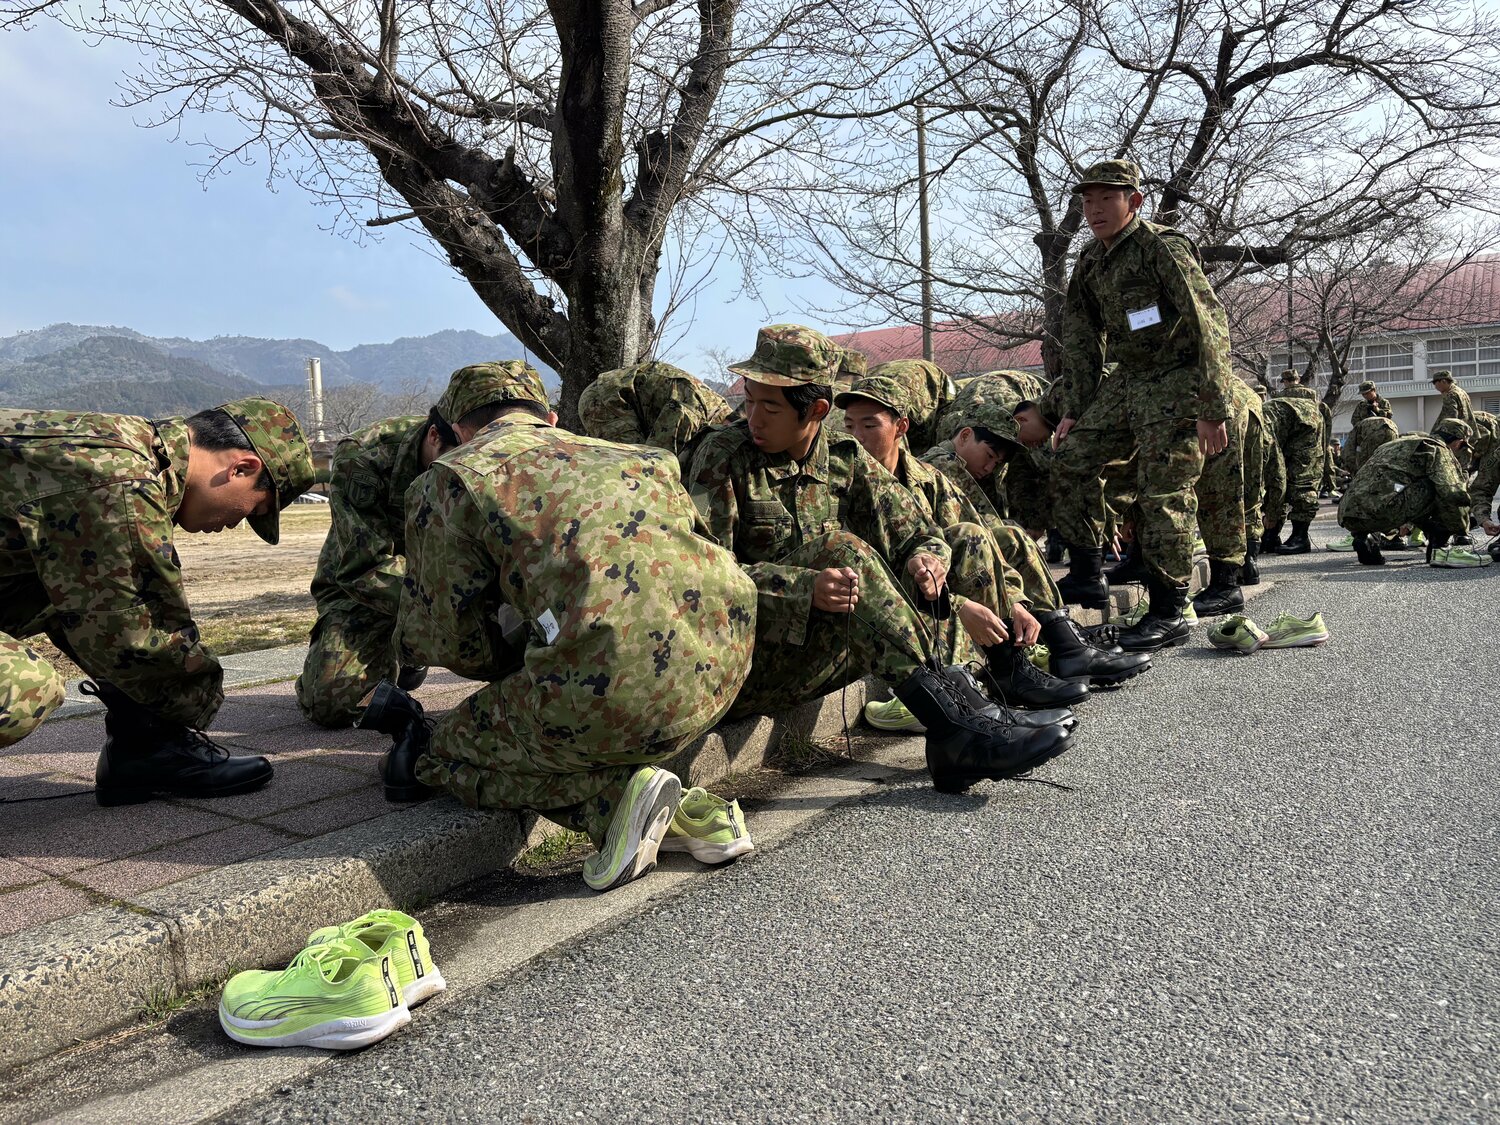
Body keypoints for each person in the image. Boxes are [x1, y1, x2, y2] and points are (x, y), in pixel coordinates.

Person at [364, 365, 759, 893]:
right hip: (722, 674)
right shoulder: (643, 457)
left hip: (614, 699)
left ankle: (614, 803)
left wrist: (519, 653)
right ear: (550, 419)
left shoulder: (450, 477)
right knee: (585, 690)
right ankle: (687, 812)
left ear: (460, 431)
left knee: (442, 751)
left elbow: (450, 639)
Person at [688, 324, 1073, 791]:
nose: (753, 418)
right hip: (750, 657)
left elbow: (921, 532)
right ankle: (960, 725)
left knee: (939, 562)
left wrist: (926, 560)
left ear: (816, 409)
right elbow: (707, 578)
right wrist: (801, 588)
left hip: (821, 643)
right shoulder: (723, 455)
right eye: (749, 400)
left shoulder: (845, 459)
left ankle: (969, 715)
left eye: (769, 406)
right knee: (844, 551)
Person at [0, 398, 313, 803]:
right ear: (241, 467)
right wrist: (195, 701)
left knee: (66, 597)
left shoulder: (125, 446)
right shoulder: (121, 477)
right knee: (21, 689)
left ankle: (145, 751)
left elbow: (92, 610)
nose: (237, 522)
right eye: (256, 507)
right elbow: (140, 627)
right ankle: (153, 746)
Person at [836, 375, 1148, 690]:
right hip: (894, 597)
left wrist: (1013, 600)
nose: (857, 437)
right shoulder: (867, 477)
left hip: (934, 584)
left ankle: (1062, 645)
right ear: (965, 435)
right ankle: (1017, 663)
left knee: (1004, 535)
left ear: (901, 428)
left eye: (869, 426)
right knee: (974, 536)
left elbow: (977, 541)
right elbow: (881, 566)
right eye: (851, 427)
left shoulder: (927, 478)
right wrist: (960, 603)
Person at [296, 362, 547, 728]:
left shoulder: (513, 457)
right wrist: (445, 606)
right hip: (375, 592)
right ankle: (406, 650)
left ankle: (416, 651)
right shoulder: (364, 458)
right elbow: (363, 567)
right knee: (332, 701)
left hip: (466, 589)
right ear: (435, 437)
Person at [1048, 159, 1234, 652]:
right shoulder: (1091, 262)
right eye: (1086, 200)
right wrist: (1073, 409)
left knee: (1163, 494)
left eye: (1106, 199)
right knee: (1071, 456)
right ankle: (1087, 571)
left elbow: (1208, 322)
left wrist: (1214, 406)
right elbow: (1082, 340)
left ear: (1134, 201)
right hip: (1127, 380)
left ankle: (1171, 609)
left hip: (1177, 382)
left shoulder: (1161, 248)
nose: (1094, 210)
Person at [1338, 418, 1474, 565]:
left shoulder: (1395, 443)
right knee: (1438, 485)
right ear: (1459, 442)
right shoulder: (1437, 449)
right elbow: (1452, 493)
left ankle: (1367, 539)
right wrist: (1461, 530)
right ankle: (1440, 545)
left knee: (1401, 487)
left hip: (1348, 513)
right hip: (1381, 512)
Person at [576, 359, 730, 469]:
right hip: (605, 399)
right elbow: (656, 465)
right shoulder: (689, 414)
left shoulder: (719, 415)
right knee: (633, 470)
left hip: (626, 401)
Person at [1261, 391, 1324, 554]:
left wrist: (1271, 515)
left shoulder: (1261, 439)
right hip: (1286, 421)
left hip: (1305, 420)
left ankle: (1300, 537)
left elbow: (1277, 478)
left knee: (1301, 480)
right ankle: (1271, 535)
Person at [1431, 369, 1476, 476]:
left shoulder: (1450, 395)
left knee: (1453, 472)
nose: (1435, 386)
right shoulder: (1461, 392)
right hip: (1466, 435)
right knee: (1464, 469)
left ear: (1443, 381)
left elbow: (1451, 419)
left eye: (1435, 382)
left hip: (1455, 439)